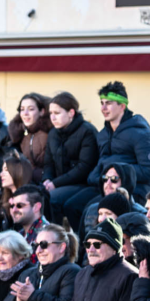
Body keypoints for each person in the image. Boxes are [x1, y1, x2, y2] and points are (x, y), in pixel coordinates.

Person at [90, 82, 150, 205]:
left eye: (109, 103)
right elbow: (101, 162)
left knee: (89, 208)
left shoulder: (141, 134)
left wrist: (120, 172)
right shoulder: (103, 135)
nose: (103, 108)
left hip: (133, 192)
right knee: (71, 204)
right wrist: (94, 177)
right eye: (102, 103)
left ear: (122, 106)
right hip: (105, 187)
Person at [42, 92, 99, 227]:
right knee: (37, 195)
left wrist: (55, 183)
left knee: (54, 199)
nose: (53, 117)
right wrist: (47, 180)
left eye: (57, 113)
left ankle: (56, 237)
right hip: (60, 183)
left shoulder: (87, 131)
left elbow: (84, 167)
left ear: (71, 113)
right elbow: (48, 163)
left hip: (84, 184)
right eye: (51, 113)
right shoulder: (53, 133)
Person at [80, 163, 140, 239]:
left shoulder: (139, 214)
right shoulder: (92, 209)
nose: (108, 184)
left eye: (114, 179)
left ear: (127, 182)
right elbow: (82, 246)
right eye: (105, 178)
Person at [8, 93, 51, 182]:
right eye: (22, 109)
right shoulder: (21, 133)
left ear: (41, 112)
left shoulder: (50, 132)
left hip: (46, 182)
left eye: (31, 109)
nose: (25, 113)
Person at [8, 185, 49, 254]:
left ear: (36, 207)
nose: (14, 210)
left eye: (19, 205)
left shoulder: (46, 234)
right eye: (12, 206)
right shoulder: (19, 234)